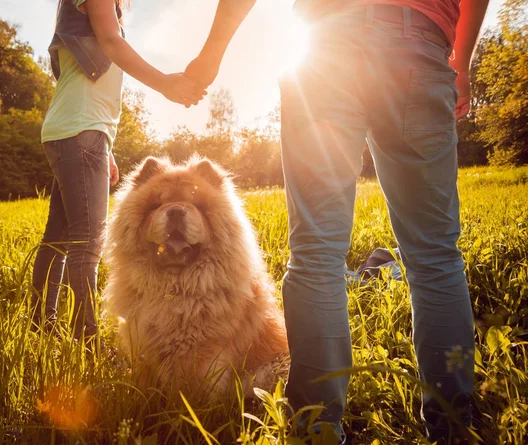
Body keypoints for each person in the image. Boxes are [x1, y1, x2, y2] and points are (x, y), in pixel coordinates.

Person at [185, 0, 489, 443]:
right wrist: (461, 60)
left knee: (315, 254)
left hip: (325, 45)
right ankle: (456, 427)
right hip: (418, 42)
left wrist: (210, 54)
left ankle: (317, 430)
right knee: (435, 254)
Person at [31, 0, 206, 343]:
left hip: (70, 130)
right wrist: (165, 84)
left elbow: (90, 81)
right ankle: (88, 340)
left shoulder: (78, 13)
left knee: (59, 240)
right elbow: (112, 43)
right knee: (88, 243)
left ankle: (41, 328)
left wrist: (106, 147)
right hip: (82, 131)